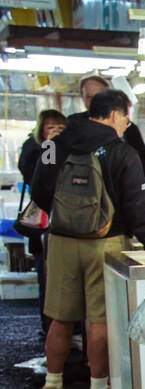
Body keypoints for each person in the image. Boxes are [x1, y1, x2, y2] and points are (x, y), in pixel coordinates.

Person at [31, 89, 145, 389]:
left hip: (61, 242)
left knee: (59, 318)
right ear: (116, 114)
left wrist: (65, 218)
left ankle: (52, 385)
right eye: (126, 118)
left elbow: (39, 188)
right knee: (99, 321)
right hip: (106, 243)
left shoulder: (53, 144)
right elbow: (135, 203)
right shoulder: (122, 151)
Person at [18, 109, 67, 325]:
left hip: (63, 227)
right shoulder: (38, 149)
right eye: (50, 127)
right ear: (41, 130)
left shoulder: (69, 150)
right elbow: (42, 182)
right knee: (46, 282)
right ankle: (48, 328)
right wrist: (50, 146)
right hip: (43, 228)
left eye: (60, 128)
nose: (56, 132)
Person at [77, 74, 145, 177]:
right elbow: (52, 161)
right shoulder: (72, 124)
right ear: (82, 98)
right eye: (89, 97)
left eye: (99, 97)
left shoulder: (128, 128)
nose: (95, 102)